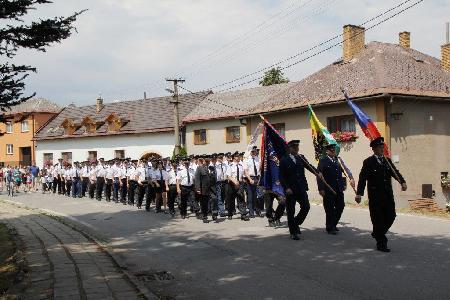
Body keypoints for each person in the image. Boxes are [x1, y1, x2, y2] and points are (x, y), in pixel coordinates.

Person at [355, 137, 407, 252]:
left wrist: (402, 182)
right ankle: (381, 243)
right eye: (379, 147)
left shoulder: (387, 161)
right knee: (377, 219)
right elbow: (362, 178)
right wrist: (359, 193)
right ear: (374, 149)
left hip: (388, 195)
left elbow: (395, 173)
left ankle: (378, 232)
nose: (382, 149)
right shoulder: (368, 162)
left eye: (382, 146)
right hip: (375, 196)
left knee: (391, 216)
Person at [279, 140, 320, 240]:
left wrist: (317, 172)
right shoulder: (284, 160)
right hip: (291, 190)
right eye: (295, 148)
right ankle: (293, 232)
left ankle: (296, 223)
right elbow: (281, 176)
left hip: (301, 187)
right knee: (291, 210)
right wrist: (286, 188)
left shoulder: (301, 158)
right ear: (290, 148)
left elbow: (309, 166)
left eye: (297, 148)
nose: (297, 149)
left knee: (306, 207)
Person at [317, 144, 355, 234]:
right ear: (327, 151)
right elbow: (319, 175)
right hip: (328, 188)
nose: (333, 151)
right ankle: (330, 227)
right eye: (331, 150)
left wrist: (347, 180)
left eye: (334, 150)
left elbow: (344, 171)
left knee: (340, 206)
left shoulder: (338, 160)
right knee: (329, 208)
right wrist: (321, 188)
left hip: (339, 188)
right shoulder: (323, 161)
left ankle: (333, 223)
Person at [226, 152, 249, 221]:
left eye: (239, 156)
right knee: (231, 200)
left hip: (240, 184)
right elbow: (228, 176)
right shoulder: (230, 166)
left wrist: (242, 181)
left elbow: (242, 175)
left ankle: (243, 214)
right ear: (234, 158)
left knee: (241, 199)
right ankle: (230, 213)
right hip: (232, 184)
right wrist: (234, 181)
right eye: (237, 156)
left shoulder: (240, 166)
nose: (238, 157)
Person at [244, 146, 261, 217]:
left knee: (257, 195)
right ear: (250, 152)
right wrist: (250, 179)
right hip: (250, 178)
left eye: (255, 151)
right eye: (253, 151)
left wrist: (259, 178)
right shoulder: (247, 160)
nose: (254, 153)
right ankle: (251, 212)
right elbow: (246, 171)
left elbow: (260, 169)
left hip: (257, 177)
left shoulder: (258, 159)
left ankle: (257, 210)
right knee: (250, 196)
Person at [195, 156, 213, 223]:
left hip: (210, 189)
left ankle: (212, 213)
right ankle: (204, 217)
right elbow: (197, 179)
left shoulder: (210, 168)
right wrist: (198, 189)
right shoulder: (199, 168)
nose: (208, 162)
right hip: (203, 189)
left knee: (210, 202)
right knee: (204, 204)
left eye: (208, 161)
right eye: (206, 161)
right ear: (203, 162)